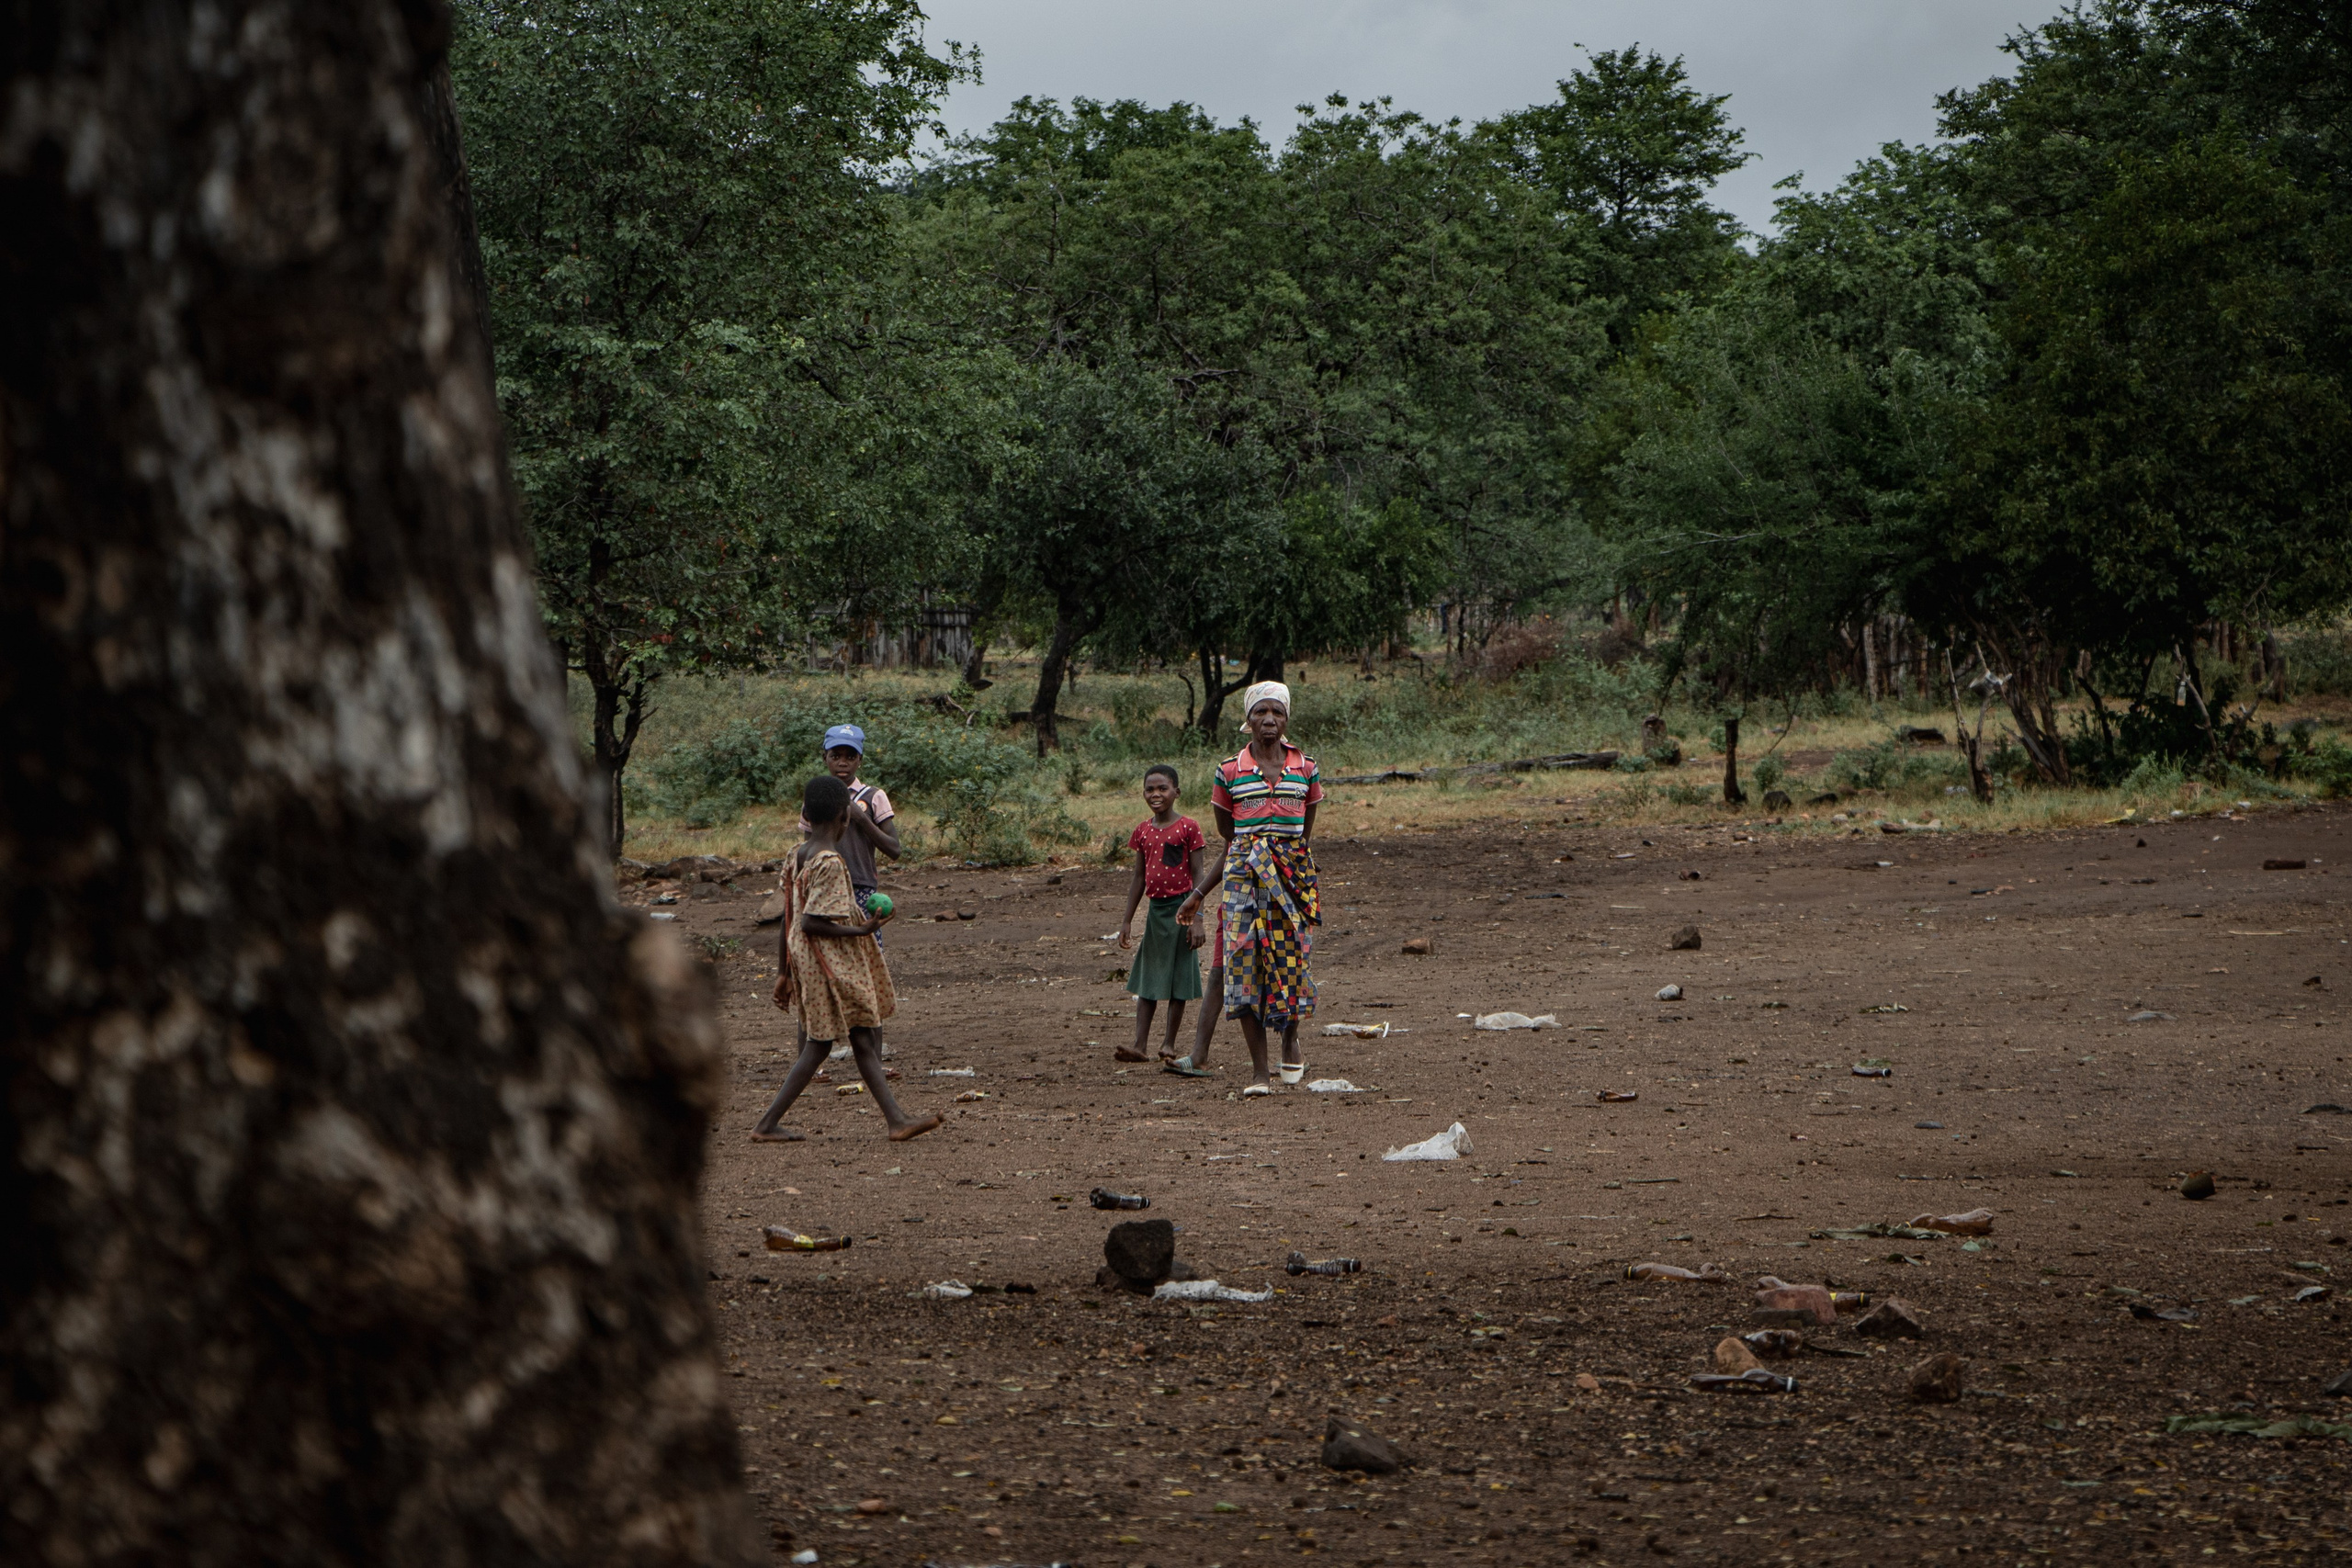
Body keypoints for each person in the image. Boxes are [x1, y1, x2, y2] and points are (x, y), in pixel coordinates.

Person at [752, 773, 942, 1144]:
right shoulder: (830, 863)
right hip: (828, 963)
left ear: (806, 814)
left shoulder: (797, 855)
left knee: (860, 1036)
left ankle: (896, 1120)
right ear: (846, 817)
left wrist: (782, 972)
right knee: (823, 1043)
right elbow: (811, 922)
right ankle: (766, 1124)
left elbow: (790, 916)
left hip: (805, 959)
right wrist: (864, 930)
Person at [1175, 681, 1322, 1095]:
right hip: (1242, 882)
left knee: (1291, 965)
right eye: (1261, 712)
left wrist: (1281, 858)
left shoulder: (1306, 768)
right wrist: (1201, 892)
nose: (1269, 720)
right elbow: (1232, 837)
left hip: (1292, 878)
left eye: (1277, 712)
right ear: (1248, 720)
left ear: (1287, 718)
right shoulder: (1229, 771)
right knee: (1239, 970)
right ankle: (1259, 1072)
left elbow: (1304, 832)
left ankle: (1290, 1038)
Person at [1115, 764, 1205, 1065]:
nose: (1156, 794)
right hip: (1156, 913)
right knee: (1149, 981)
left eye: (1162, 789)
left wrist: (1198, 920)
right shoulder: (1142, 831)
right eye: (1150, 789)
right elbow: (1138, 878)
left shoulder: (1189, 828)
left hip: (1183, 912)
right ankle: (1139, 1045)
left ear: (1176, 792)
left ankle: (1169, 1044)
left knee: (1179, 980)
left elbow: (1198, 876)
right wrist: (1127, 920)